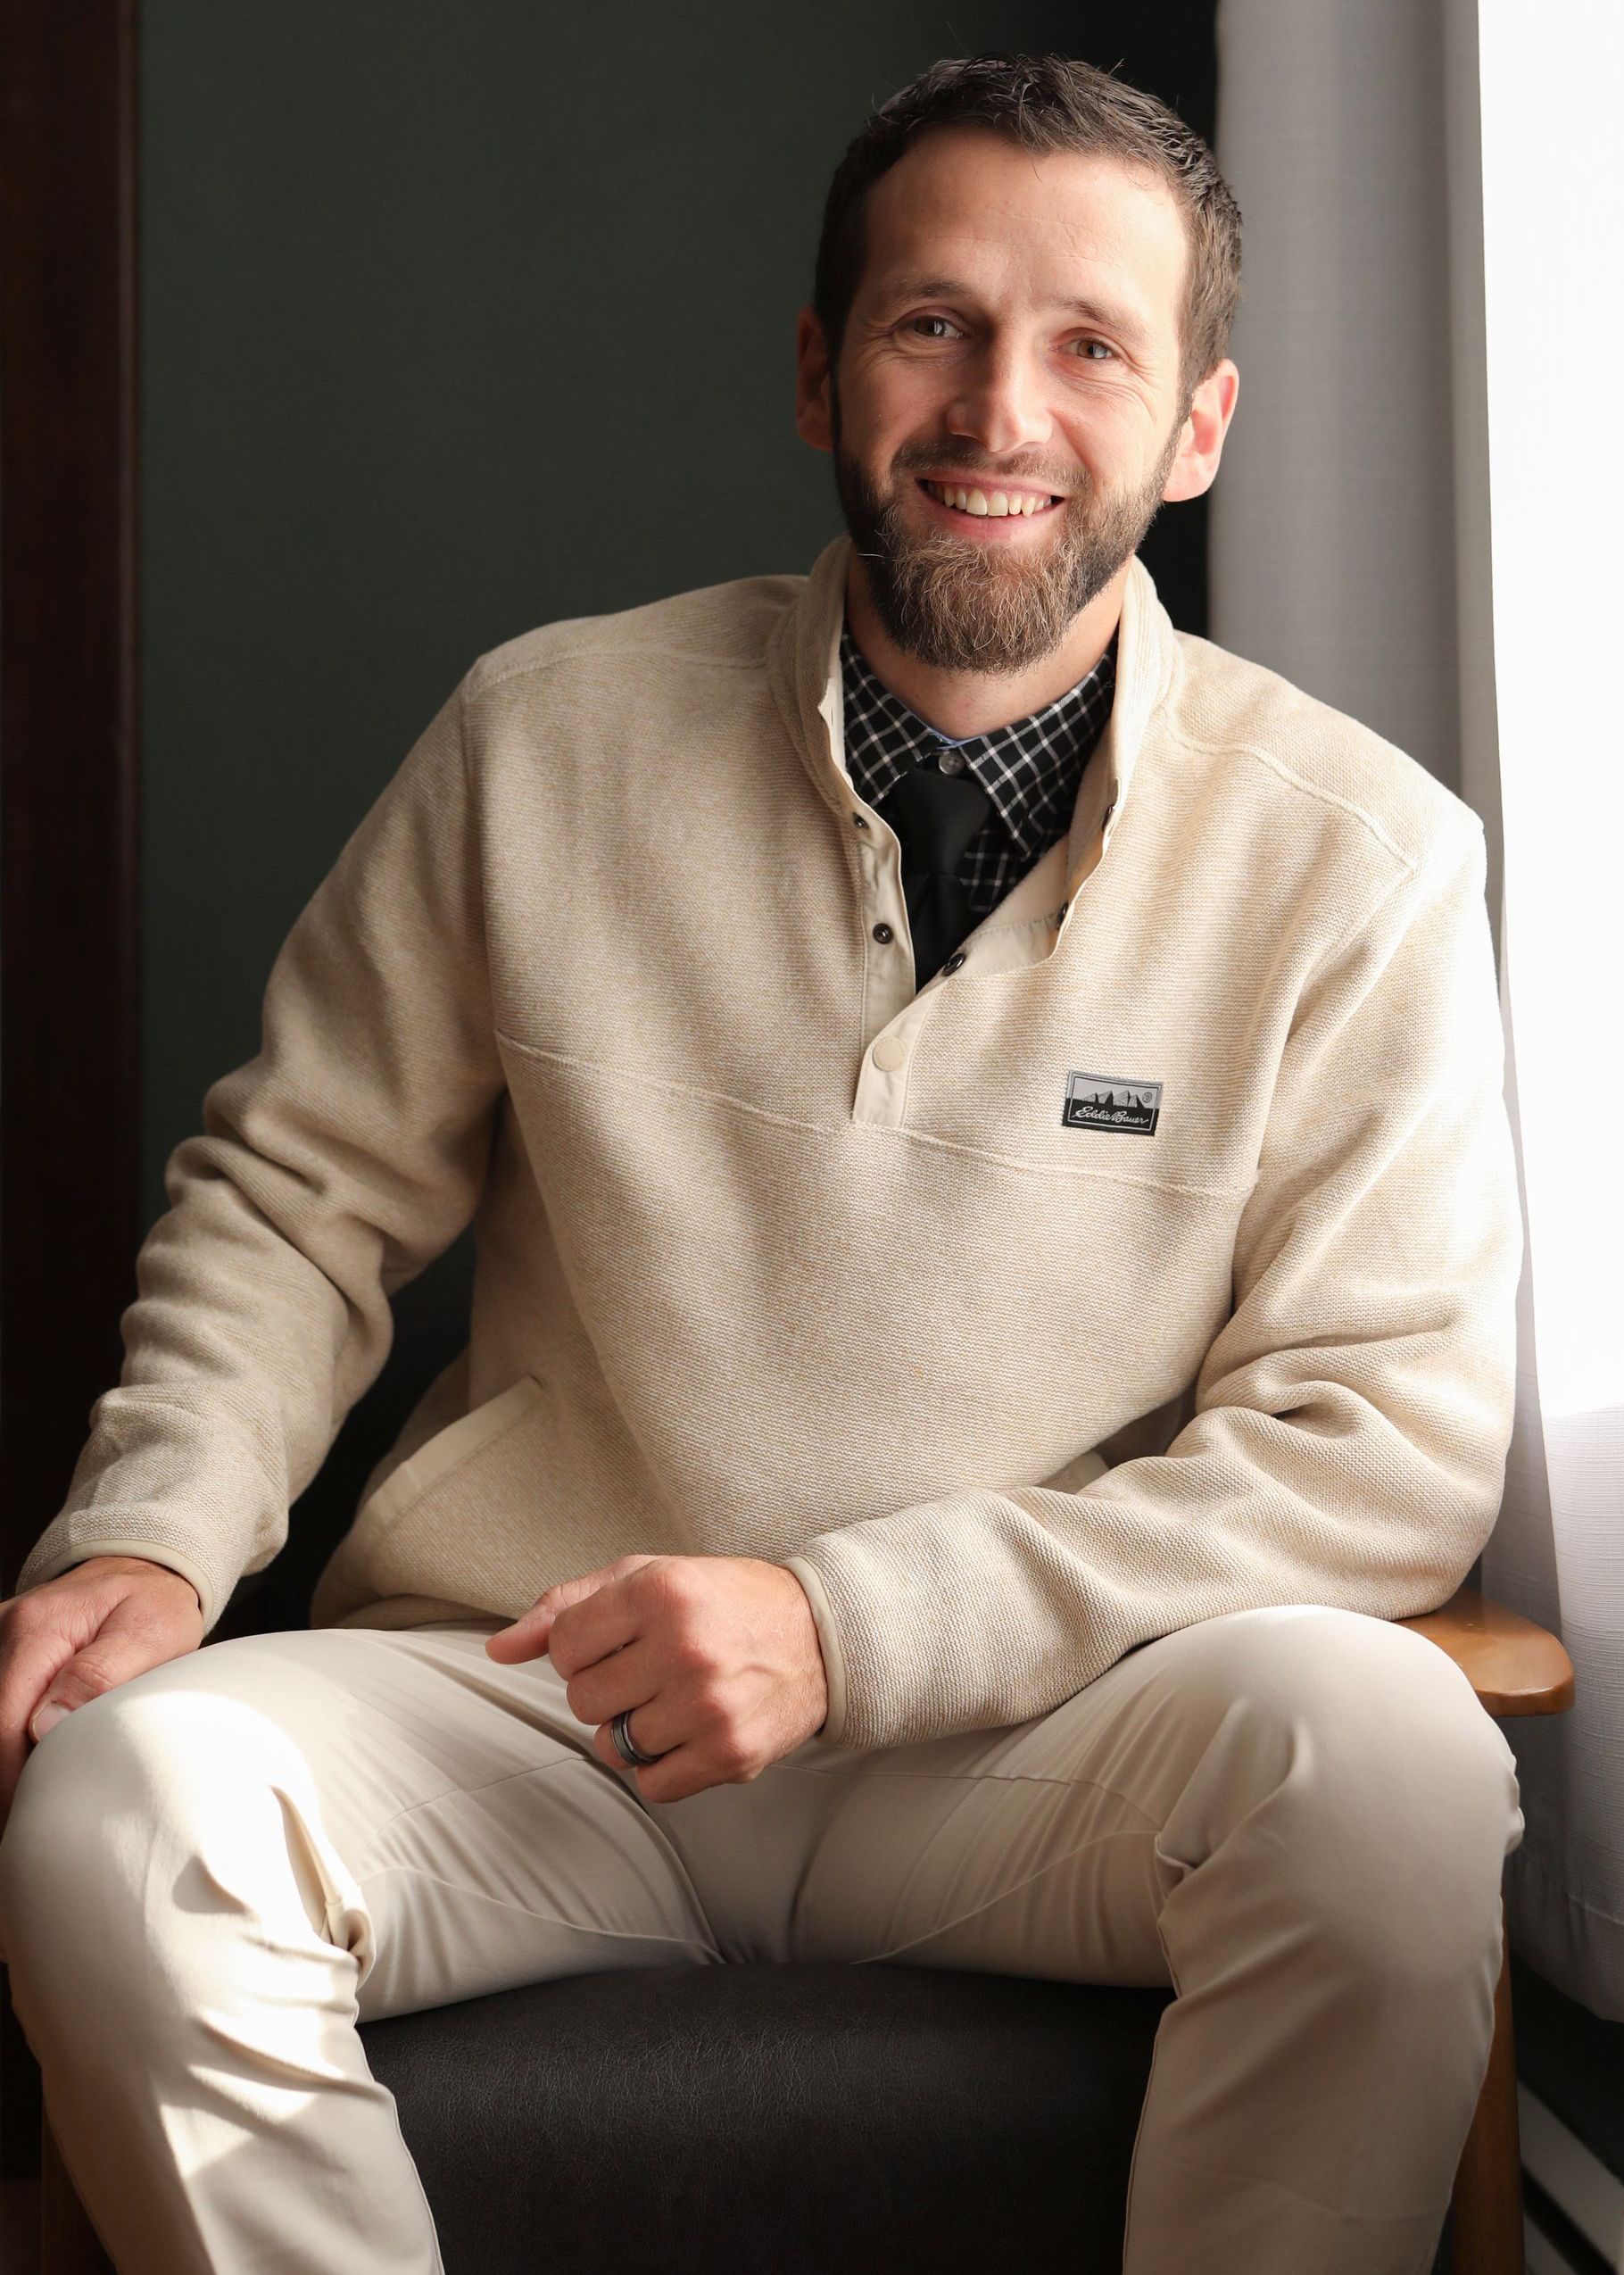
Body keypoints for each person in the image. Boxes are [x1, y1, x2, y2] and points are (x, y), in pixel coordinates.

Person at [0, 50, 1526, 2275]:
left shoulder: (1364, 863)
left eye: (1091, 347)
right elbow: (294, 1206)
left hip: (1037, 1749)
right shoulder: (541, 738)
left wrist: (846, 1627)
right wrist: (152, 1533)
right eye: (934, 324)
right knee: (119, 1820)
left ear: (1199, 424)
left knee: (1394, 1768)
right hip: (532, 1706)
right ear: (821, 367)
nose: (1000, 412)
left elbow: (1378, 1449)